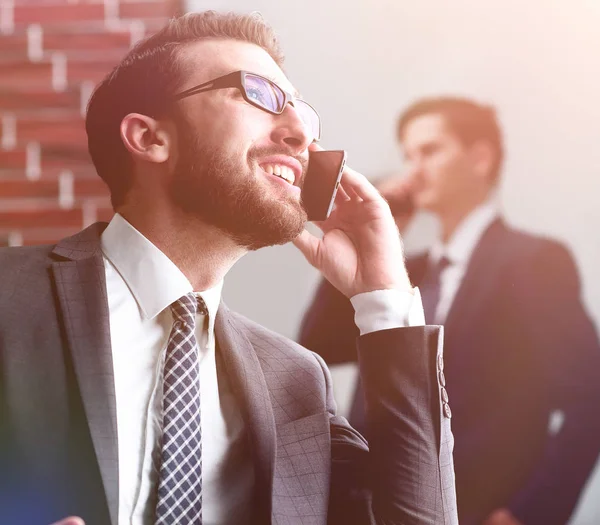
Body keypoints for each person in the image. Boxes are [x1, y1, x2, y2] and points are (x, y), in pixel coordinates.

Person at [0, 12, 458, 525]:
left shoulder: (296, 381)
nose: (300, 135)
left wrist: (385, 298)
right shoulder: (10, 296)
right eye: (259, 95)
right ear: (150, 139)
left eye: (304, 116)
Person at [299, 97, 600, 525]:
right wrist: (366, 244)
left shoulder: (534, 261)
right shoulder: (405, 271)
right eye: (407, 155)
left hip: (472, 509)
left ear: (480, 158)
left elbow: (590, 400)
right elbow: (320, 345)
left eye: (430, 151)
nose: (412, 170)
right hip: (368, 506)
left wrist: (526, 514)